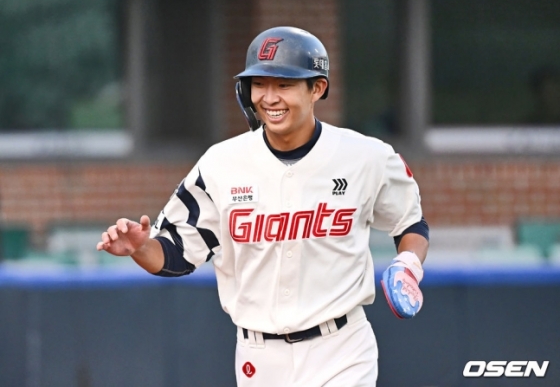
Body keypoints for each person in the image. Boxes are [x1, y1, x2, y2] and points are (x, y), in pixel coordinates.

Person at [97, 26, 429, 386]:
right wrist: (141, 247)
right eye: (259, 83)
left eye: (284, 84)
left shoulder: (367, 156)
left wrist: (408, 264)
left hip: (342, 348)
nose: (269, 97)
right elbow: (176, 254)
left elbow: (410, 223)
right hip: (258, 356)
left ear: (317, 88)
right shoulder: (221, 163)